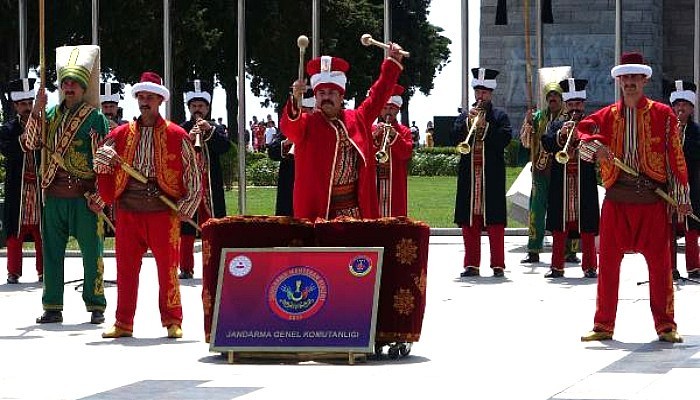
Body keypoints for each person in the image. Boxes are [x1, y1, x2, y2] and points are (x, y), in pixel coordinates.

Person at [578, 52, 689, 343]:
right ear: (619, 81)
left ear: (644, 80)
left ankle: (666, 325)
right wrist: (596, 148)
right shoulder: (605, 116)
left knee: (661, 265)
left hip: (651, 200)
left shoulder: (663, 114)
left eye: (634, 78)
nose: (629, 83)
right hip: (616, 199)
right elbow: (581, 136)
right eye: (625, 78)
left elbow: (675, 157)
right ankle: (603, 325)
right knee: (609, 265)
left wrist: (680, 197)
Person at [95, 72, 202, 339]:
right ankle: (123, 322)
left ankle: (173, 320)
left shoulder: (177, 135)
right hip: (128, 211)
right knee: (126, 270)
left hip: (162, 212)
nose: (145, 102)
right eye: (141, 97)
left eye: (150, 98)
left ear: (160, 101)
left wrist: (186, 206)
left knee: (168, 270)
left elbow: (193, 174)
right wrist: (100, 190)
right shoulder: (120, 134)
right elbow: (100, 164)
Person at [23, 45, 109, 324]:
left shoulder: (95, 118)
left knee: (91, 253)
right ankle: (52, 305)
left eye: (74, 83)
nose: (69, 87)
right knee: (52, 252)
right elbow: (30, 143)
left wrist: (100, 194)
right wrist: (36, 112)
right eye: (65, 83)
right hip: (54, 196)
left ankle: (96, 304)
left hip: (84, 196)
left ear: (84, 88)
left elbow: (105, 161)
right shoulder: (49, 115)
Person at [280, 44, 405, 220]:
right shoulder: (307, 123)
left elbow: (378, 95)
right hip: (318, 211)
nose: (326, 97)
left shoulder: (357, 119)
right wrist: (294, 99)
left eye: (332, 92)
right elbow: (290, 128)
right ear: (315, 97)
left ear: (341, 96)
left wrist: (392, 63)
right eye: (321, 93)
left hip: (354, 210)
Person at [452, 68, 512, 278]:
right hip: (470, 176)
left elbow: (504, 139)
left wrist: (485, 126)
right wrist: (468, 123)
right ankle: (471, 264)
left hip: (492, 176)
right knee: (470, 221)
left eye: (485, 92)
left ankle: (498, 264)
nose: (480, 96)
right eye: (478, 92)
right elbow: (455, 136)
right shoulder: (464, 116)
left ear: (491, 93)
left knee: (495, 221)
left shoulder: (500, 116)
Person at [541, 78, 599, 279]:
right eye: (571, 105)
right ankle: (557, 266)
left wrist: (580, 138)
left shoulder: (592, 125)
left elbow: (598, 148)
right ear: (566, 105)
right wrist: (561, 134)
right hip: (561, 181)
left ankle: (590, 266)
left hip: (585, 181)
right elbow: (547, 144)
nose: (575, 109)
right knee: (559, 226)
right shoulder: (556, 124)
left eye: (578, 105)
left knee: (588, 226)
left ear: (584, 104)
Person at [520, 78, 578, 263]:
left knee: (565, 211)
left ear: (561, 98)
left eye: (556, 95)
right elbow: (525, 142)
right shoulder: (538, 117)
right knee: (536, 209)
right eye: (550, 95)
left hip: (561, 171)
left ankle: (569, 251)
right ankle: (534, 249)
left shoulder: (567, 117)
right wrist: (528, 125)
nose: (552, 98)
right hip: (540, 170)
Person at [177, 79, 230, 280]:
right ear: (189, 108)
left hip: (210, 187)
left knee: (212, 226)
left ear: (207, 108)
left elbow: (224, 148)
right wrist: (188, 139)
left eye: (201, 106)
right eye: (194, 106)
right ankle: (186, 267)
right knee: (186, 227)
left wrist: (209, 131)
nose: (197, 109)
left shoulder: (216, 128)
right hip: (188, 186)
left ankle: (214, 263)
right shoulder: (181, 129)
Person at [0, 78, 43, 284]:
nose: (27, 107)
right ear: (16, 106)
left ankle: (44, 271)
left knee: (43, 232)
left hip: (40, 188)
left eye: (30, 103)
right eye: (23, 104)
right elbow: (13, 149)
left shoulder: (45, 126)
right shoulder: (7, 130)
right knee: (14, 232)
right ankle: (13, 271)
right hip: (18, 189)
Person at [670, 80, 700, 280]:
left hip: (692, 184)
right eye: (677, 104)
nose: (681, 108)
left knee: (692, 228)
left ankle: (694, 266)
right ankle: (670, 267)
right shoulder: (665, 129)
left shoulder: (697, 131)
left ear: (691, 108)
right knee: (669, 228)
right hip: (670, 185)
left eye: (685, 105)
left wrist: (683, 139)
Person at [267, 94, 315, 216]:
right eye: (303, 110)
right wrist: (288, 142)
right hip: (289, 187)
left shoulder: (321, 130)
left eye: (309, 110)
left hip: (312, 188)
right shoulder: (287, 131)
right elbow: (272, 152)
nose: (305, 114)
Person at [373, 84, 413, 217]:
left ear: (397, 110)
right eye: (384, 108)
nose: (388, 111)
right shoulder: (372, 130)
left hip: (395, 184)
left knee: (396, 219)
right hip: (375, 183)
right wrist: (374, 138)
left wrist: (395, 136)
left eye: (391, 108)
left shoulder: (404, 131)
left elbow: (406, 153)